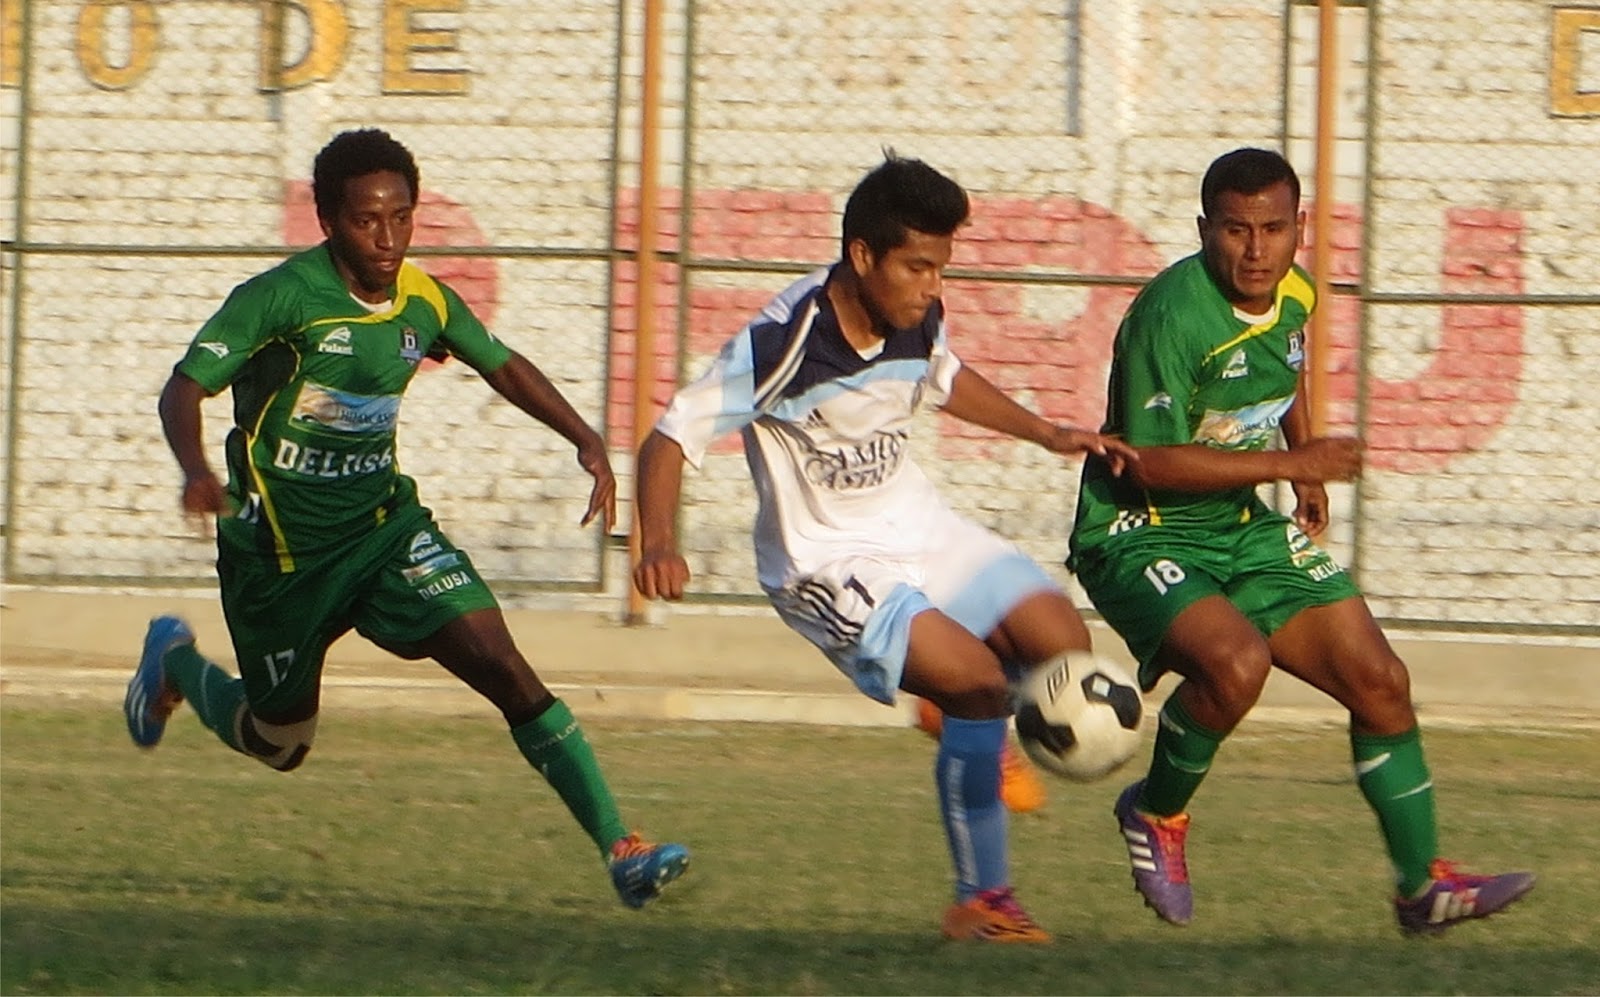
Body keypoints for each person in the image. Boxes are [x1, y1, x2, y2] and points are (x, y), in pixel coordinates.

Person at [125, 127, 689, 909]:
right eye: (366, 221)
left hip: (385, 529)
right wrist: (196, 470)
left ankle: (621, 847)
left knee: (499, 658)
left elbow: (501, 362)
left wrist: (586, 438)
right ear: (327, 220)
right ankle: (176, 661)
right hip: (281, 555)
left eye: (401, 217)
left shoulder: (422, 297)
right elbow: (182, 388)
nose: (387, 238)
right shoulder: (280, 299)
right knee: (278, 741)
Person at [631, 152, 1137, 943]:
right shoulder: (782, 343)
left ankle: (965, 714)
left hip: (919, 526)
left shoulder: (915, 313)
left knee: (1061, 641)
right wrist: (657, 541)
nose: (933, 284)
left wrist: (1047, 432)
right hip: (827, 561)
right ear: (862, 256)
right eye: (918, 266)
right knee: (976, 685)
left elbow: (944, 378)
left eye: (941, 267)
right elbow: (668, 439)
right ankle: (983, 900)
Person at [1067, 146, 1534, 935]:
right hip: (1136, 531)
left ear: (1299, 229)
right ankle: (1157, 812)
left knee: (1381, 679)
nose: (1255, 250)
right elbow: (1147, 463)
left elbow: (1287, 367)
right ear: (1205, 229)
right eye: (1235, 230)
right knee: (1237, 663)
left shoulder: (1295, 292)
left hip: (1236, 522)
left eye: (1273, 229)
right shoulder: (1169, 315)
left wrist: (1304, 466)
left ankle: (1422, 885)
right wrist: (1294, 460)